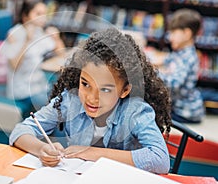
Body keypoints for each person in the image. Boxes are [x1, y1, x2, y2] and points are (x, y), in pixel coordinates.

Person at [9, 28, 172, 174]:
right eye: (85, 84)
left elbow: (160, 160)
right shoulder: (70, 100)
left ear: (125, 91)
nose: (92, 98)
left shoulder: (135, 111)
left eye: (105, 89)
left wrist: (91, 152)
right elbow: (20, 131)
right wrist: (42, 148)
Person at [2, 0, 65, 115]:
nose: (43, 18)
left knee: (67, 95)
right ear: (25, 16)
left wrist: (56, 38)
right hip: (22, 90)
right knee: (55, 110)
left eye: (44, 14)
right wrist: (27, 41)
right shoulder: (14, 34)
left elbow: (61, 54)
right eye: (38, 14)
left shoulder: (39, 31)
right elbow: (14, 65)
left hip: (40, 85)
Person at [156, 8, 205, 123]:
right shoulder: (180, 53)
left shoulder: (187, 57)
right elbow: (166, 59)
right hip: (180, 107)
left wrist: (152, 73)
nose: (169, 37)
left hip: (185, 111)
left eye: (173, 33)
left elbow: (174, 83)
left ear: (187, 34)